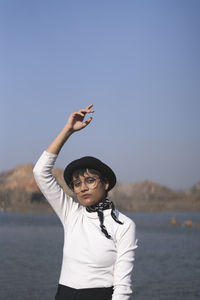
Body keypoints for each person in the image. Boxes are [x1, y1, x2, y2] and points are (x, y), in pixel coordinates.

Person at [33, 104, 138, 300]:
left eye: (90, 180)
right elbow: (40, 173)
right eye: (77, 183)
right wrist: (68, 131)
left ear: (105, 183)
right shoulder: (72, 214)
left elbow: (122, 288)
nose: (82, 188)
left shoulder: (124, 225)